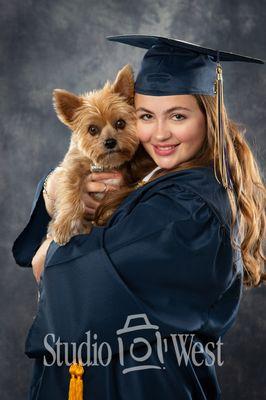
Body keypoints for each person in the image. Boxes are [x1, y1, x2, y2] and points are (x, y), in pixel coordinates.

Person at [12, 35, 265, 400]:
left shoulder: (188, 208)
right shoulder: (159, 176)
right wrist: (57, 188)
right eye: (146, 116)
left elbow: (57, 269)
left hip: (142, 383)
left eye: (178, 116)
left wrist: (53, 248)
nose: (159, 133)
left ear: (208, 118)